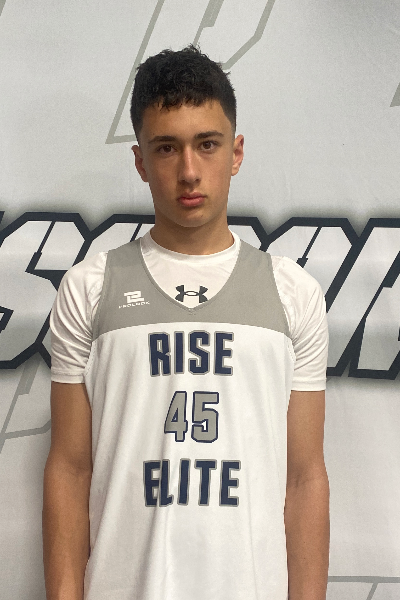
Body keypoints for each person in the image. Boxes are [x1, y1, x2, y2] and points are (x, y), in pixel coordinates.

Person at [43, 45, 329, 600]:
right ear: (140, 161)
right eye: (167, 148)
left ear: (236, 152)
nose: (190, 171)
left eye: (207, 144)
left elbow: (304, 478)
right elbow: (69, 471)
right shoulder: (89, 288)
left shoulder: (292, 292)